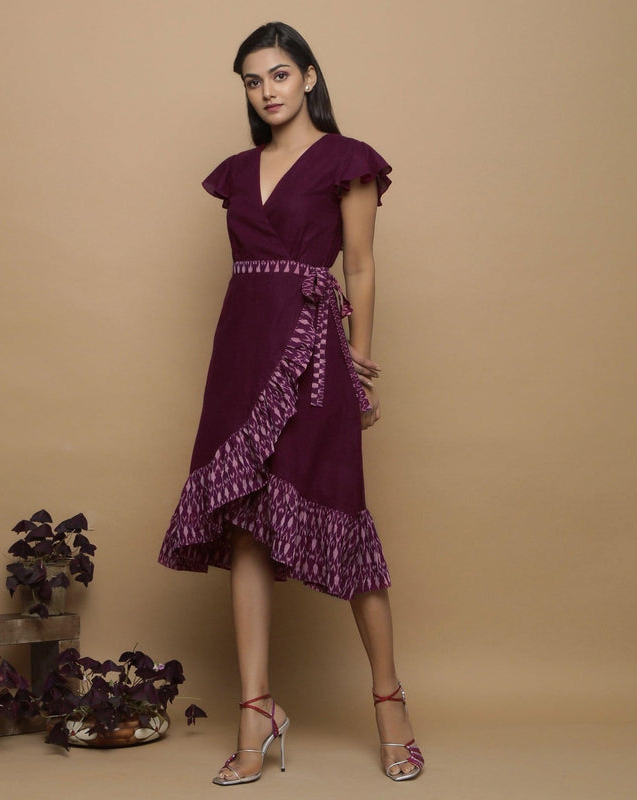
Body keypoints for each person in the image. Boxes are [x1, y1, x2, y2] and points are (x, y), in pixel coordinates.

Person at [158, 21, 423, 786]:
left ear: (308, 77)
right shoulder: (236, 173)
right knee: (246, 529)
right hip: (240, 350)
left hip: (313, 353)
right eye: (251, 80)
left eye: (278, 75)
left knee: (340, 517)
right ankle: (256, 710)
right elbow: (253, 274)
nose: (265, 91)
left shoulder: (348, 161)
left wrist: (359, 354)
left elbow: (363, 266)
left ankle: (389, 701)